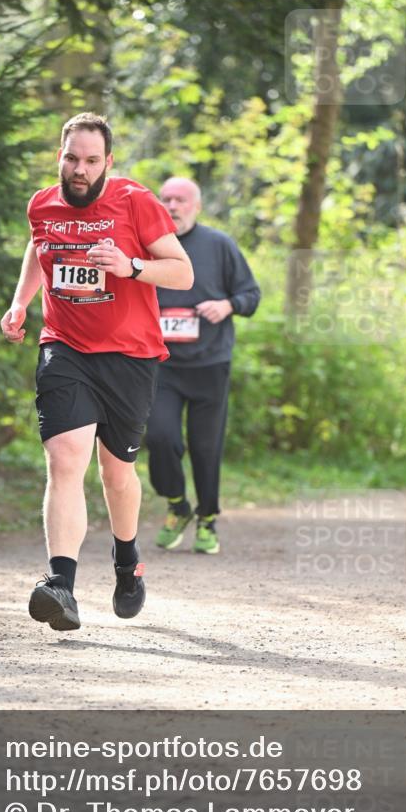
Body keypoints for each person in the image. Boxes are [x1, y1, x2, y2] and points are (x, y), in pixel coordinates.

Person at [0, 114, 193, 631]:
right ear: (59, 155)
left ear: (108, 162)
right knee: (65, 458)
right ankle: (60, 584)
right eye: (71, 159)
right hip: (65, 346)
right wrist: (21, 303)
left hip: (130, 355)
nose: (79, 170)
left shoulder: (135, 201)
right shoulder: (42, 204)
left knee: (116, 472)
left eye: (90, 161)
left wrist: (129, 266)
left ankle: (127, 563)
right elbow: (39, 249)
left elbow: (181, 271)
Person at [145, 177, 260, 555]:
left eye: (181, 200)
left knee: (206, 446)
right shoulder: (149, 245)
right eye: (166, 199)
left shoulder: (219, 245)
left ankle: (208, 518)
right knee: (161, 437)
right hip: (163, 365)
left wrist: (227, 305)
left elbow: (250, 294)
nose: (173, 206)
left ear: (196, 205)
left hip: (210, 364)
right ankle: (178, 505)